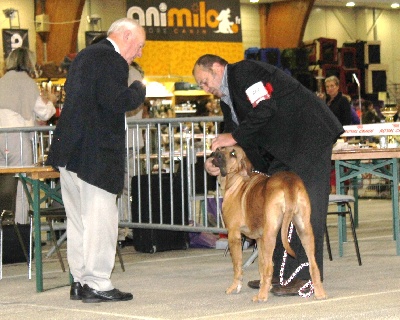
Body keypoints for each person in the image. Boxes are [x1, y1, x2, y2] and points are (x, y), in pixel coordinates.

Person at [192, 54, 343, 296]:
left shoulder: (244, 73)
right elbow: (233, 143)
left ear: (218, 68)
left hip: (308, 135)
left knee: (306, 206)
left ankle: (305, 277)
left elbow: (265, 106)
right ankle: (274, 274)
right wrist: (214, 162)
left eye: (204, 81)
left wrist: (233, 137)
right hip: (284, 148)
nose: (205, 88)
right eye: (200, 85)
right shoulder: (227, 101)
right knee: (276, 210)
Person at [46, 18, 146, 303]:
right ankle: (98, 283)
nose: (138, 53)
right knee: (101, 221)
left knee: (78, 221)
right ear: (125, 36)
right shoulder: (112, 60)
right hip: (96, 154)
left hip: (69, 151)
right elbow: (116, 102)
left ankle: (79, 281)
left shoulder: (84, 56)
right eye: (138, 46)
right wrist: (138, 89)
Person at [0, 47, 56, 224]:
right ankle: (22, 229)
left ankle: (5, 229)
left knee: (5, 186)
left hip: (2, 136)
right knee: (24, 184)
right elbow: (44, 113)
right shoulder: (27, 82)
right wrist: (51, 102)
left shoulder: (2, 81)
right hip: (17, 138)